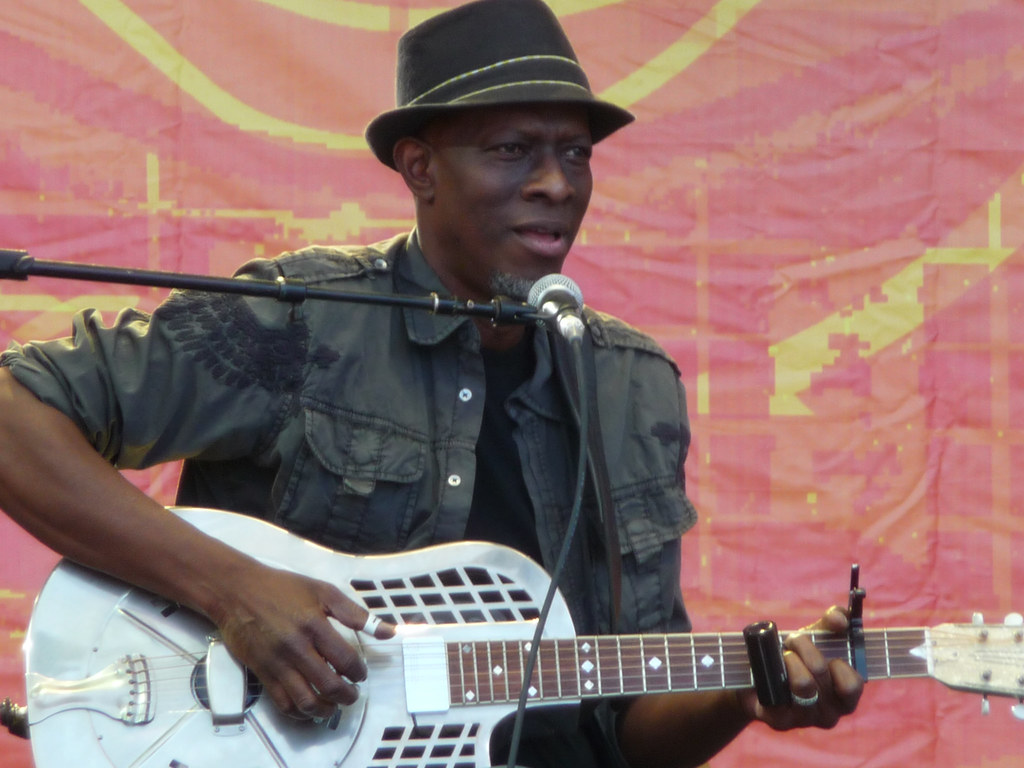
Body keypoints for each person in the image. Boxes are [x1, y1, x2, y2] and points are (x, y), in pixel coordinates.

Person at [0, 1, 862, 766]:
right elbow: (11, 414)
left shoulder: (631, 386)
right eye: (513, 150)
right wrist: (233, 591)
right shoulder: (305, 321)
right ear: (419, 169)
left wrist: (746, 693)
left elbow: (620, 730)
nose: (558, 183)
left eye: (575, 152)